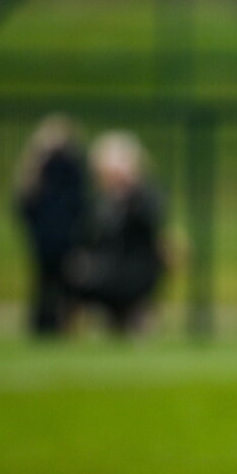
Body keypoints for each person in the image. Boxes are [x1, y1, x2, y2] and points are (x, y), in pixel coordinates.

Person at [68, 131, 167, 335]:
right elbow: (88, 236)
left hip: (136, 270)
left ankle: (134, 318)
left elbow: (149, 224)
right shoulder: (99, 203)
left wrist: (129, 196)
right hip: (104, 270)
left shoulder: (143, 198)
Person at [14, 114, 90, 337]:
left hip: (53, 237)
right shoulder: (48, 169)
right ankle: (49, 324)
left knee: (52, 282)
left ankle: (51, 324)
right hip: (52, 237)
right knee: (51, 282)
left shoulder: (53, 168)